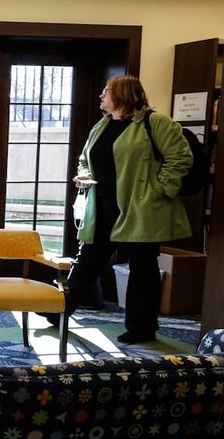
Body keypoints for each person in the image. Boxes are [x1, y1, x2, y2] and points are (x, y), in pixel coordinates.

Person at [59, 75, 192, 344]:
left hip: (141, 207)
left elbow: (181, 158)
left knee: (142, 268)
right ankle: (58, 309)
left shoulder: (155, 123)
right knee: (88, 260)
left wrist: (159, 189)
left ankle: (141, 328)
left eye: (106, 91)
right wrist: (83, 175)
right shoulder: (103, 125)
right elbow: (85, 158)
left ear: (123, 95)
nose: (101, 96)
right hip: (103, 206)